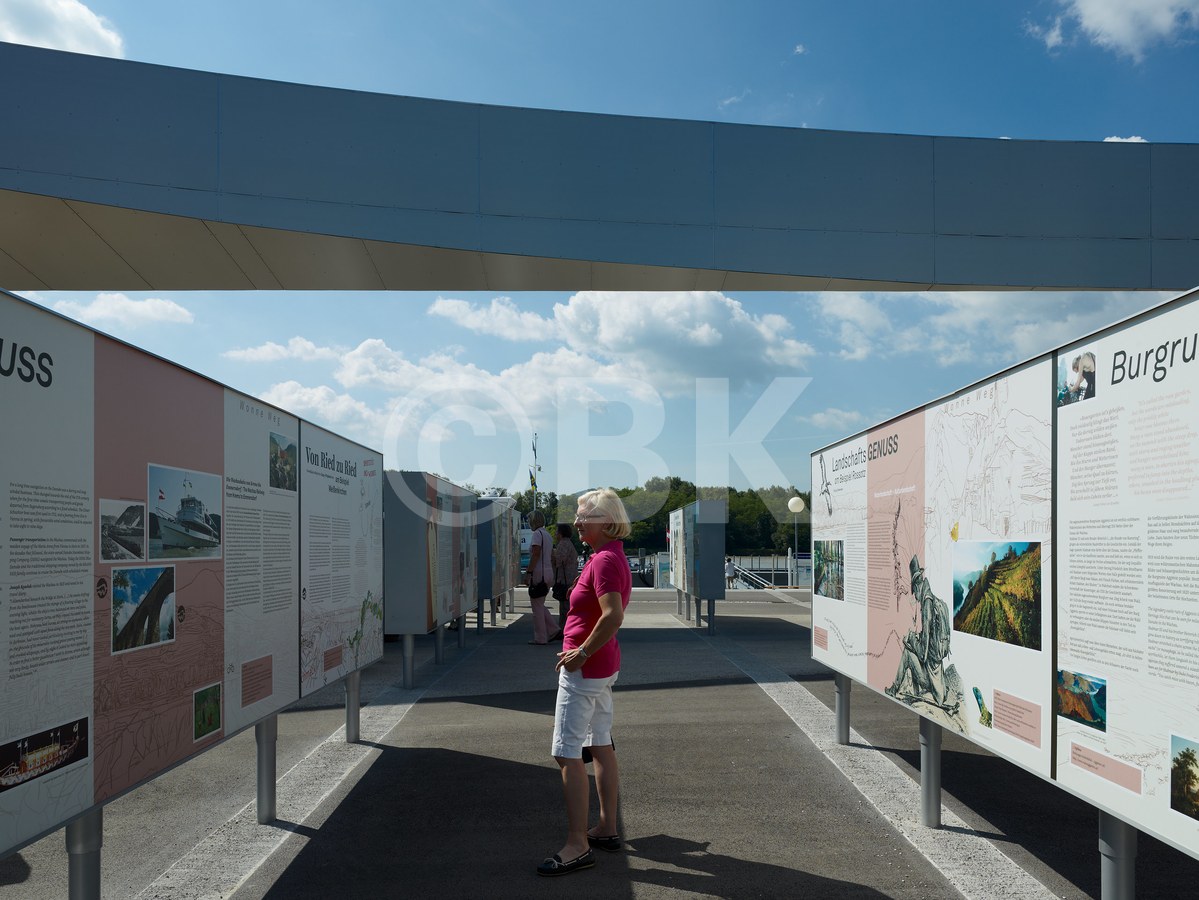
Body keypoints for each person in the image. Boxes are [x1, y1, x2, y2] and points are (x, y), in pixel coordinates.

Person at [537, 488, 632, 877]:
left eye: (584, 516)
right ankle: (607, 827)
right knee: (600, 744)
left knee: (567, 752)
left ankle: (577, 844)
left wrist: (582, 652)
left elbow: (613, 615)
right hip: (601, 668)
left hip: (585, 671)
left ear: (606, 521)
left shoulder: (604, 560)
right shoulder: (608, 555)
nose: (576, 521)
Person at [525, 510, 557, 645]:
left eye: (529, 520)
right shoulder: (547, 535)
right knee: (539, 604)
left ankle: (540, 637)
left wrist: (529, 572)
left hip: (539, 573)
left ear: (533, 521)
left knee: (536, 608)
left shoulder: (537, 534)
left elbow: (536, 554)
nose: (528, 523)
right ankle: (553, 629)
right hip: (548, 572)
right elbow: (552, 556)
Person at [552, 523, 579, 627]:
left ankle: (564, 628)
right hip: (571, 577)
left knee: (565, 607)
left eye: (557, 531)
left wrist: (551, 554)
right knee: (566, 605)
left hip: (565, 579)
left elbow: (559, 561)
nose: (555, 534)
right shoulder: (569, 543)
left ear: (561, 533)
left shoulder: (563, 544)